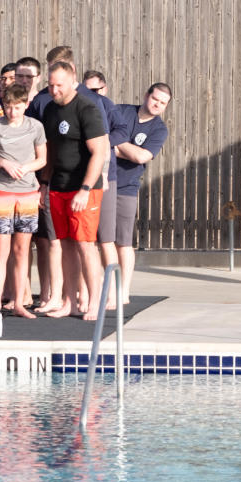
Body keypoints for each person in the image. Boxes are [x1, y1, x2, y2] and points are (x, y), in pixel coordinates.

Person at [39, 61, 109, 320]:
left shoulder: (87, 108)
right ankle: (70, 301)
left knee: (85, 245)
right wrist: (44, 184)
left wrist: (85, 188)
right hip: (59, 186)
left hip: (84, 189)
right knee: (66, 245)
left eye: (59, 85)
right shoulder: (49, 109)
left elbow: (99, 152)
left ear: (73, 82)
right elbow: (51, 151)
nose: (54, 90)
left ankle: (93, 302)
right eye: (51, 85)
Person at [0, 83, 47, 317]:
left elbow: (42, 159)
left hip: (27, 193)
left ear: (26, 105)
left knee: (22, 250)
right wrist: (3, 163)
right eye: (8, 107)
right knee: (1, 250)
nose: (12, 112)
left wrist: (25, 168)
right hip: (2, 192)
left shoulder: (35, 127)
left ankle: (19, 302)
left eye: (17, 107)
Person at [113, 83, 172, 302]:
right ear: (146, 95)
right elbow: (102, 139)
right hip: (103, 183)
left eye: (163, 103)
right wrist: (128, 149)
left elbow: (142, 157)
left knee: (124, 242)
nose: (157, 105)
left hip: (127, 187)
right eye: (155, 99)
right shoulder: (121, 112)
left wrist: (117, 144)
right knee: (101, 242)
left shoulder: (159, 129)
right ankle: (107, 288)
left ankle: (124, 291)